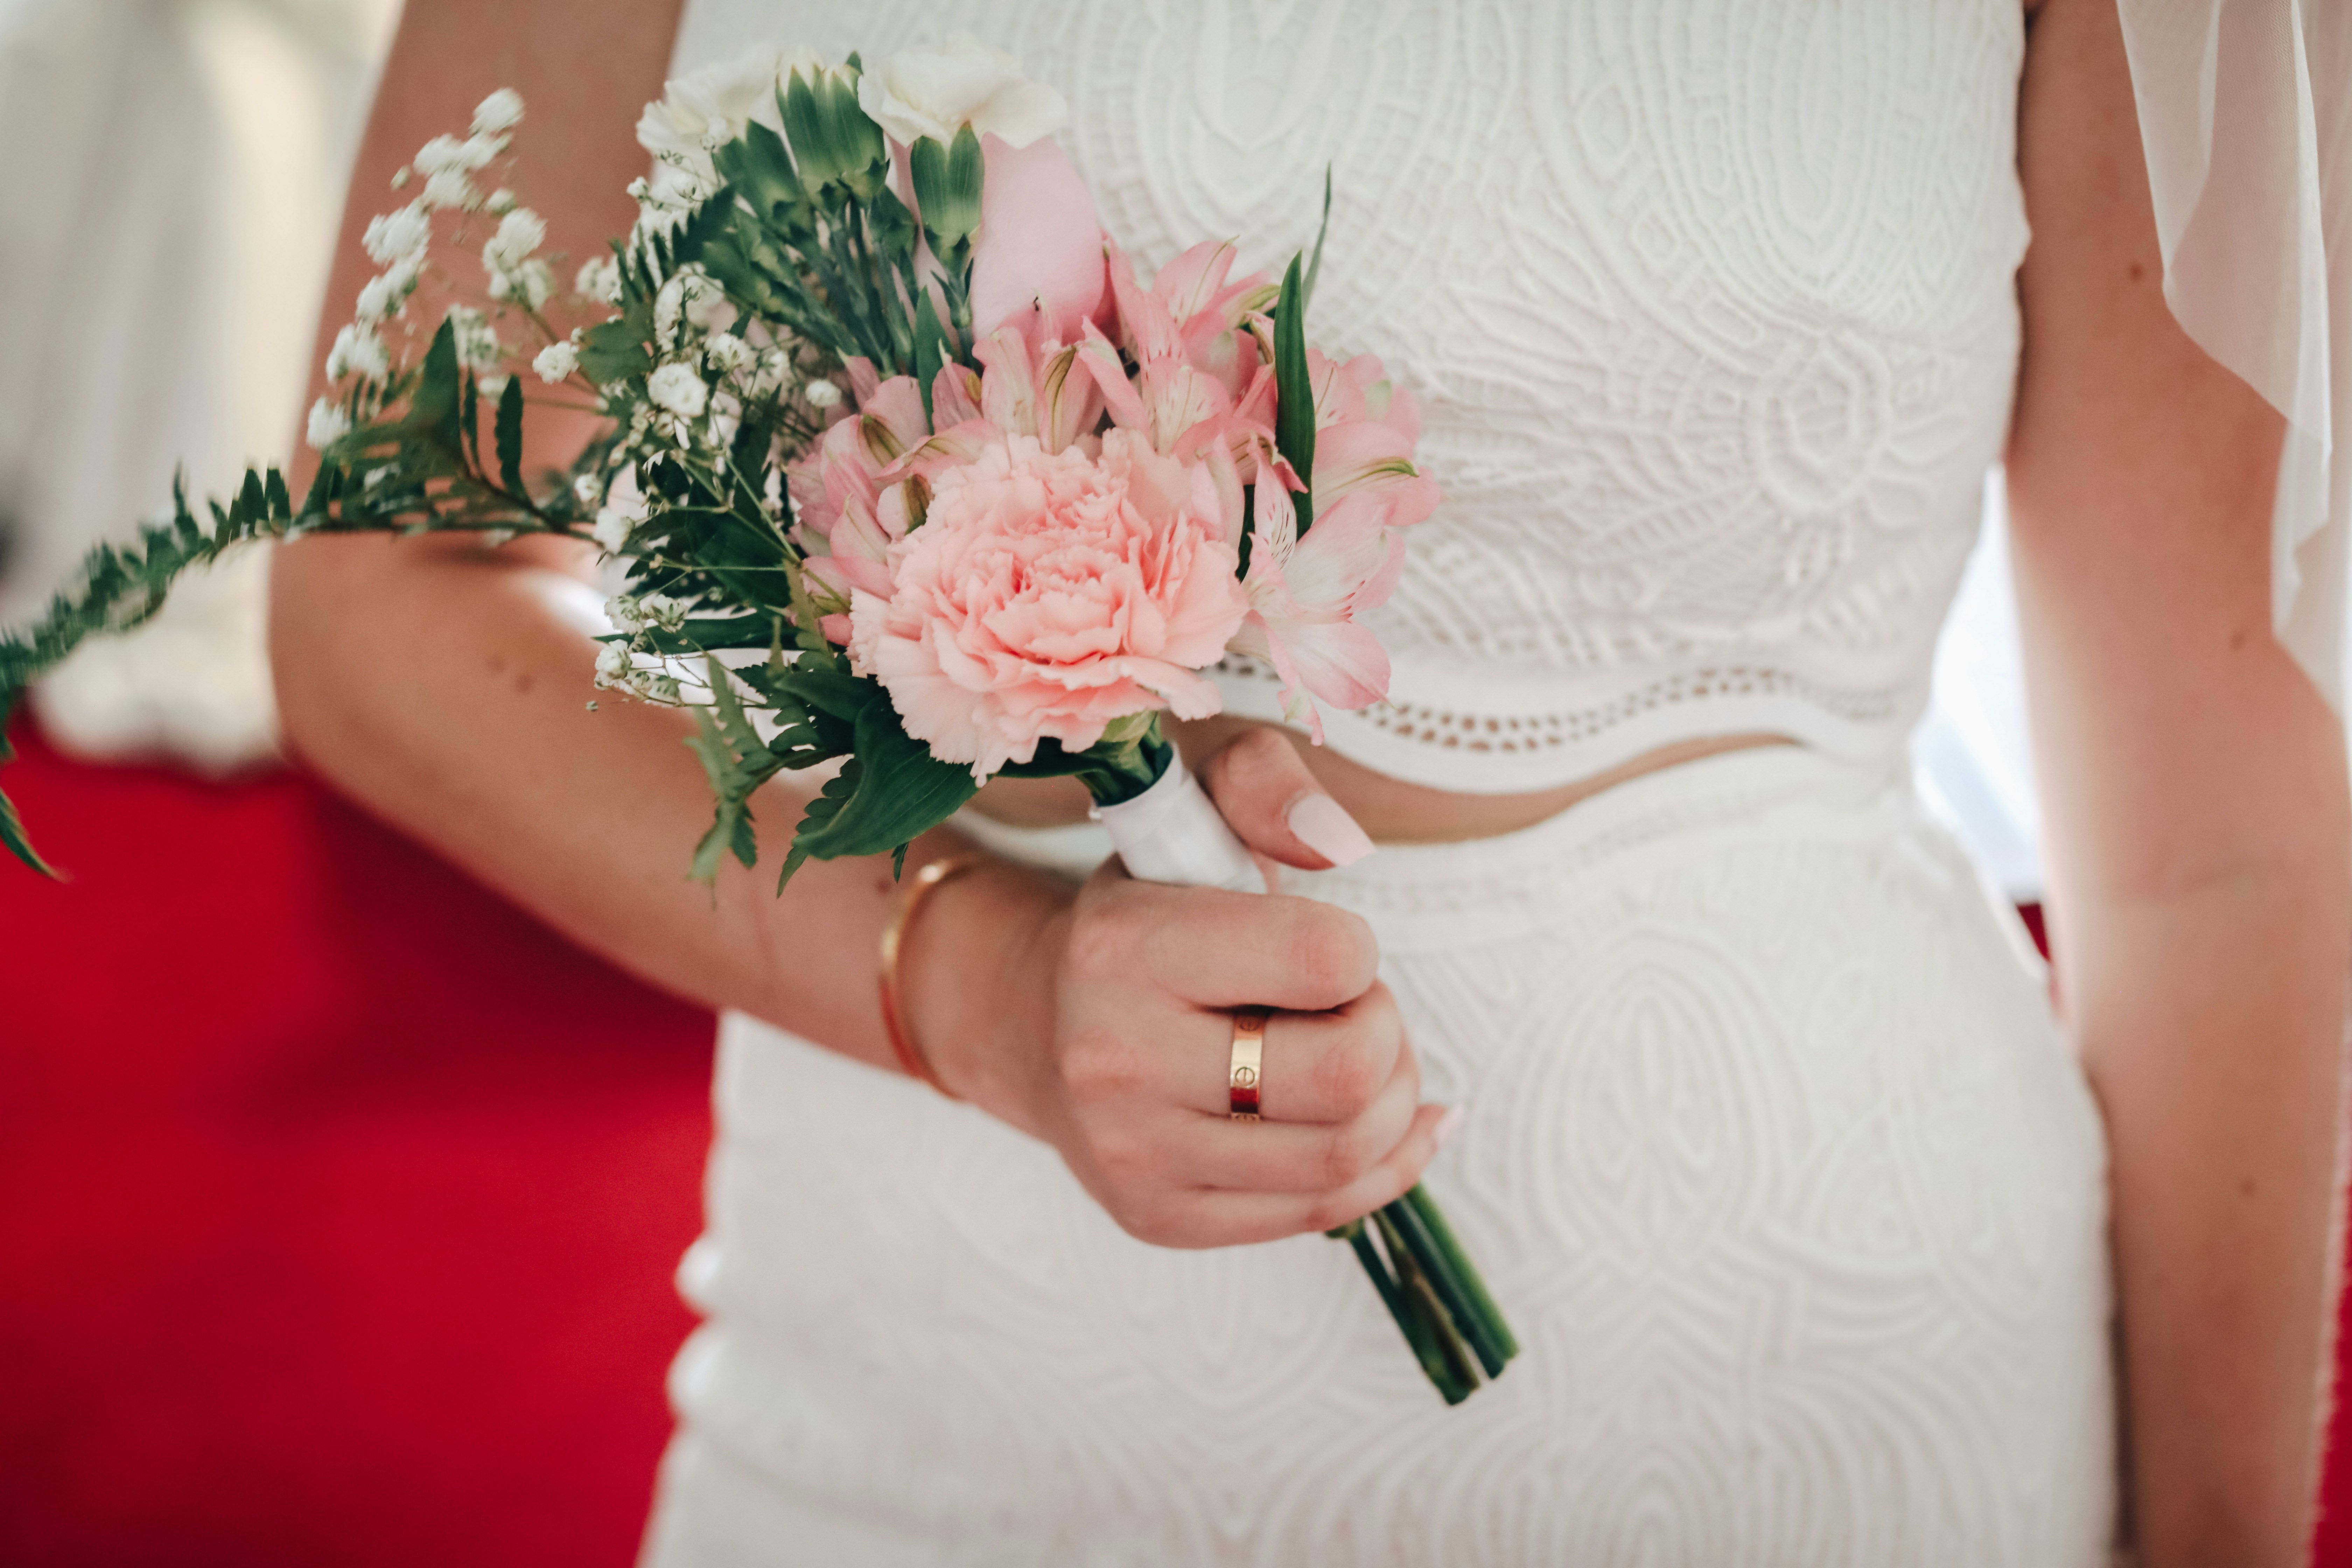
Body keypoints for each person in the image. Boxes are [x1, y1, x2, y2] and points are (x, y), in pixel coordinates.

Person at [271, 1, 2352, 1562]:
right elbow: (389, 585)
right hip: (954, 1421)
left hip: (1833, 1425)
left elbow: (2216, 855)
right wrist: (978, 978)